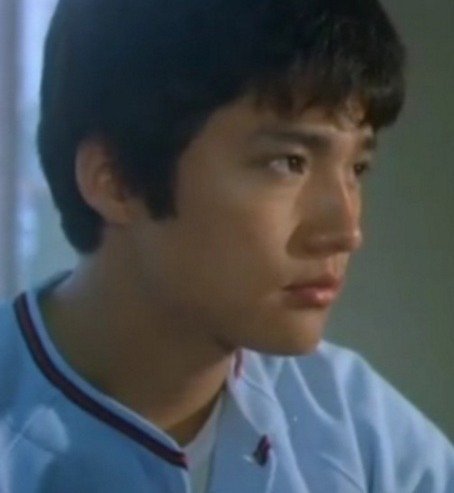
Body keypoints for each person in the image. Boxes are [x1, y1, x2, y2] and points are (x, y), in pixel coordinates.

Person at [1, 0, 453, 491]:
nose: (347, 231)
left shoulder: (356, 426)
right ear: (117, 181)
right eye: (288, 162)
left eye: (357, 168)